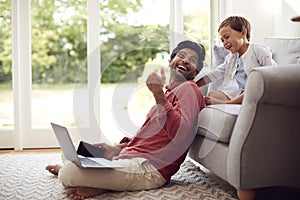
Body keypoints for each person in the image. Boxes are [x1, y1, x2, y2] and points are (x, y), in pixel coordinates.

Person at [46, 40, 206, 199]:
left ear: (196, 72)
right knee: (72, 151)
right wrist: (117, 148)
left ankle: (96, 182)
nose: (185, 60)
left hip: (150, 169)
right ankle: (101, 180)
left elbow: (182, 136)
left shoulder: (189, 89)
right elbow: (149, 138)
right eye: (182, 55)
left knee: (68, 173)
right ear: (171, 61)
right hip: (130, 157)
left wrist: (158, 95)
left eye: (192, 60)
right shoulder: (170, 93)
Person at [196, 16, 276, 105]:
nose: (224, 43)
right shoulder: (231, 58)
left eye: (227, 37)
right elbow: (215, 74)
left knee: (251, 90)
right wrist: (194, 85)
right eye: (222, 40)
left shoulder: (258, 51)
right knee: (211, 95)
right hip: (241, 92)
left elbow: (273, 72)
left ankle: (229, 103)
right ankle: (234, 101)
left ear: (243, 33)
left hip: (258, 90)